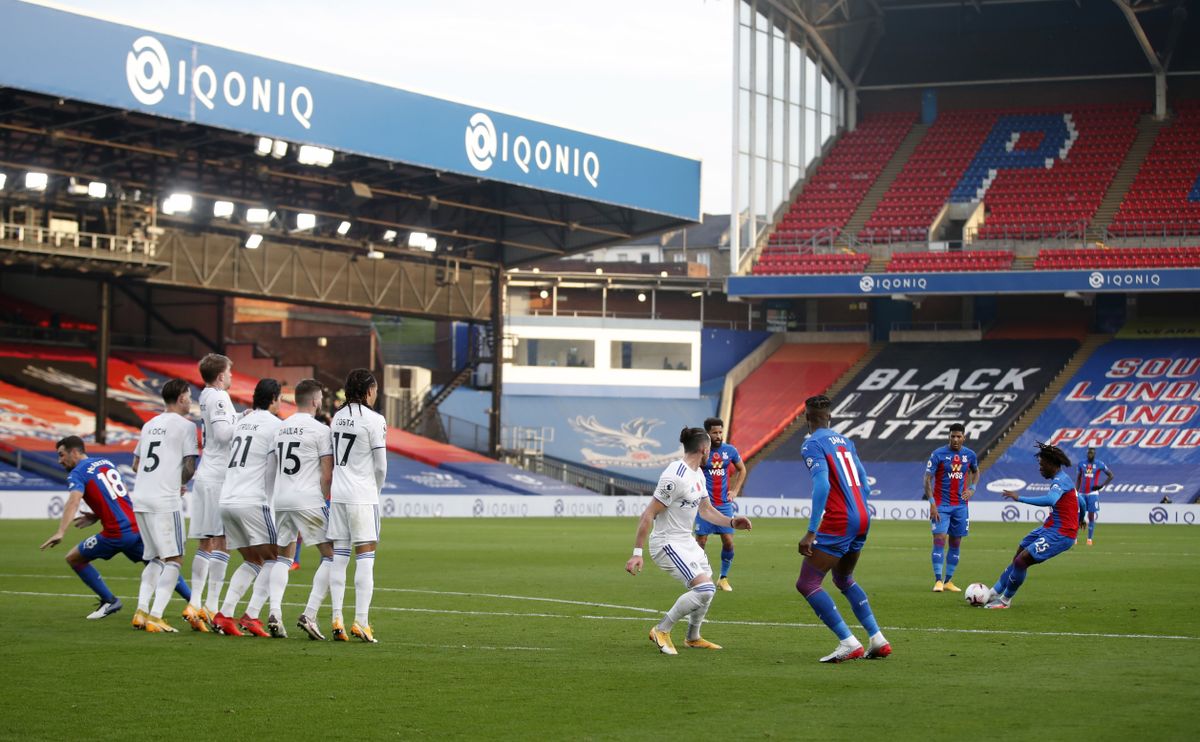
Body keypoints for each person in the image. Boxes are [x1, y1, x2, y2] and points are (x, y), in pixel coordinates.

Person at [625, 426, 752, 655]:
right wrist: (637, 552)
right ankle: (661, 629)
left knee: (709, 589)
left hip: (686, 541)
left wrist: (732, 522)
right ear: (704, 449)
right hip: (667, 543)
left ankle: (693, 637)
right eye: (710, 449)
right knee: (703, 588)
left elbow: (706, 510)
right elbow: (648, 514)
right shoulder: (675, 476)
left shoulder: (698, 474)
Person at [40, 436, 186, 618]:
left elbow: (74, 500)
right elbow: (118, 493)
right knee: (162, 565)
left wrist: (61, 531)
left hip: (116, 534)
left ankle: (109, 601)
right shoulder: (105, 462)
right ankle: (194, 605)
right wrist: (97, 515)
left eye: (62, 455)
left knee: (74, 558)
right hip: (136, 526)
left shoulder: (77, 473)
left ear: (75, 452)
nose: (60, 461)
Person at [797, 395, 890, 663]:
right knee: (843, 579)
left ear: (807, 418)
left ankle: (849, 642)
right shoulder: (846, 442)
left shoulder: (812, 444)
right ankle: (877, 639)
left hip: (839, 519)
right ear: (830, 416)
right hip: (862, 515)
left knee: (807, 583)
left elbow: (823, 485)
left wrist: (812, 530)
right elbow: (863, 480)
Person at [211, 378, 284, 637]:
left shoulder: (242, 423)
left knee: (253, 560)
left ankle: (224, 614)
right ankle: (252, 616)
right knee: (279, 558)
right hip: (254, 501)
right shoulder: (277, 426)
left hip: (228, 500)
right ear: (274, 398)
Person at [130, 378, 199, 633]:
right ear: (181, 397)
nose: (191, 401)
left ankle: (140, 610)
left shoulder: (149, 424)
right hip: (164, 498)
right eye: (189, 396)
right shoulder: (186, 426)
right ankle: (156, 616)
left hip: (141, 498)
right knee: (175, 558)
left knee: (154, 558)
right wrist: (179, 482)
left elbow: (136, 465)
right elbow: (190, 466)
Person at [270, 378, 335, 640]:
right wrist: (321, 499)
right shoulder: (320, 431)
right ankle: (310, 613)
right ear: (316, 401)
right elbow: (327, 475)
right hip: (308, 498)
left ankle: (274, 613)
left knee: (283, 558)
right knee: (332, 555)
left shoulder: (281, 428)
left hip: (282, 497)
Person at [327, 368, 388, 643]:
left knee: (339, 558)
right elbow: (381, 466)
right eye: (374, 389)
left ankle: (336, 618)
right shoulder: (374, 420)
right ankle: (361, 622)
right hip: (362, 495)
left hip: (338, 495)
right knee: (365, 557)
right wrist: (376, 489)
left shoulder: (337, 418)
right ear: (368, 391)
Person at [986, 442, 1080, 609]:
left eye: (1042, 465)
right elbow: (1080, 500)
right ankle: (993, 592)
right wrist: (1082, 518)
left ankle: (1005, 600)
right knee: (1018, 554)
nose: (1040, 469)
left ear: (1051, 464)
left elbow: (1051, 500)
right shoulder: (1064, 480)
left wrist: (1019, 498)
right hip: (1049, 527)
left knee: (1022, 561)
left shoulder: (1060, 481)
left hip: (1061, 533)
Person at [184, 352, 237, 632]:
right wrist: (246, 425)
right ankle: (212, 605)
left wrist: (242, 416)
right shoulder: (219, 397)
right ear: (220, 376)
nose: (231, 376)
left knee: (206, 541)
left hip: (208, 472)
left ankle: (196, 602)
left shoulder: (206, 396)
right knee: (222, 540)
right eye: (229, 372)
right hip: (218, 476)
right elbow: (224, 434)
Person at [925, 423, 978, 593]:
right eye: (952, 436)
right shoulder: (938, 454)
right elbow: (927, 479)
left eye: (958, 436)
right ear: (949, 436)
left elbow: (976, 472)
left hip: (961, 506)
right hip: (941, 505)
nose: (955, 439)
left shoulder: (970, 455)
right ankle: (938, 580)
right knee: (940, 539)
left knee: (956, 542)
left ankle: (948, 581)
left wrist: (972, 488)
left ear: (964, 437)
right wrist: (932, 503)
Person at [694, 416, 745, 592]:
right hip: (704, 504)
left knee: (729, 542)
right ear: (707, 434)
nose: (718, 435)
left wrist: (735, 491)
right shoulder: (700, 452)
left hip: (723, 504)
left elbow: (741, 469)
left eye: (720, 432)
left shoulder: (730, 451)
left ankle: (723, 578)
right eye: (715, 432)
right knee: (700, 541)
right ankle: (699, 576)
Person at [1075, 447, 1112, 546]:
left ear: (1095, 454)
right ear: (1087, 453)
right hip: (1081, 493)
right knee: (1078, 516)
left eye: (1092, 453)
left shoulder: (1099, 464)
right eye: (1089, 453)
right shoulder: (1081, 464)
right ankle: (1075, 538)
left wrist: (1101, 486)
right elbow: (1078, 478)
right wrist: (1075, 492)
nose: (1090, 454)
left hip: (1093, 494)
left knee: (1091, 516)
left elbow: (1111, 475)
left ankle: (1089, 539)